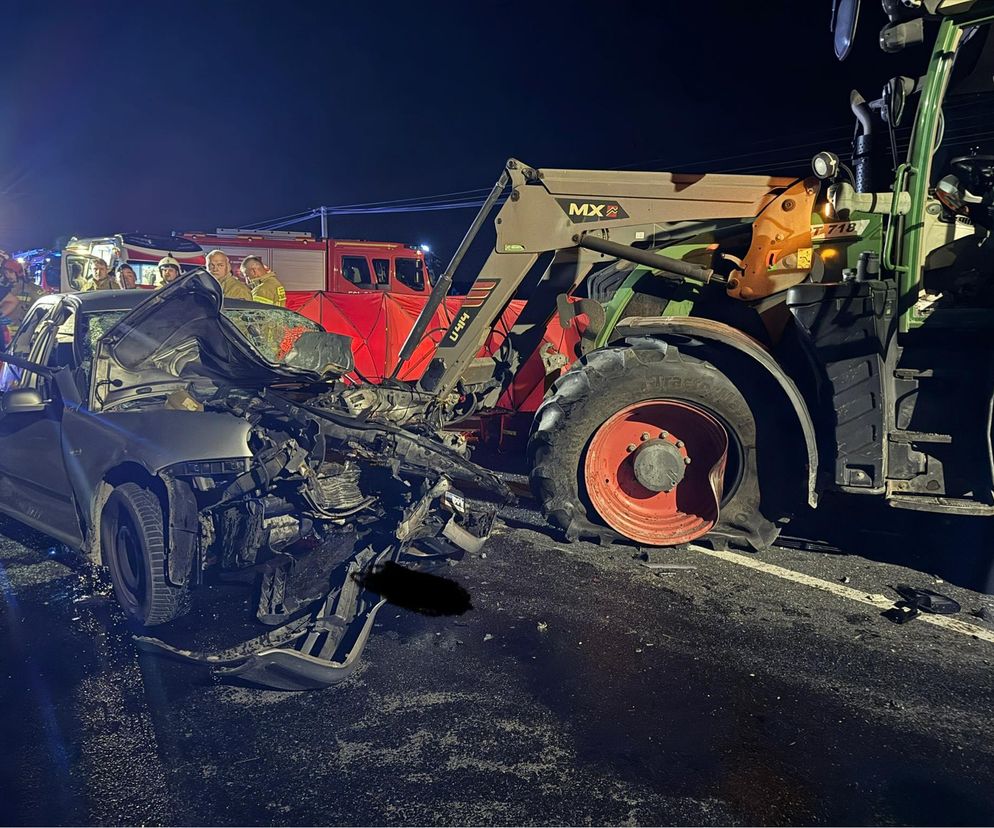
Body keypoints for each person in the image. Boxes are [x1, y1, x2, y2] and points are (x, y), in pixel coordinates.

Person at [0, 258, 44, 342]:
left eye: (11, 272)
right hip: (6, 336)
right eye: (6, 273)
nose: (8, 276)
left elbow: (46, 308)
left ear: (19, 272)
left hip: (25, 335)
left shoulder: (33, 289)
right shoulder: (4, 290)